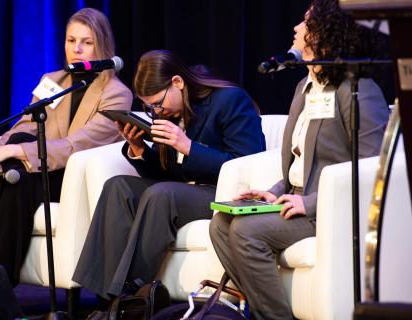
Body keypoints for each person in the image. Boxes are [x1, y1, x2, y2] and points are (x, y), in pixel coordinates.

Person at [209, 1, 390, 319]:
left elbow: (371, 168)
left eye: (306, 23)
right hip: (298, 202)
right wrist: (275, 191)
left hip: (330, 210)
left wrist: (310, 202)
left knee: (246, 231)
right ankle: (264, 308)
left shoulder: (357, 90)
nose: (296, 29)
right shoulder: (304, 87)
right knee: (221, 225)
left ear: (325, 34)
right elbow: (301, 162)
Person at [0, 8, 132, 286]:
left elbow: (78, 144)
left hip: (72, 178)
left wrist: (12, 153)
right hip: (35, 172)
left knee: (17, 169)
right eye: (71, 40)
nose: (77, 49)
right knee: (16, 178)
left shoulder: (117, 94)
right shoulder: (54, 81)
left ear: (103, 45)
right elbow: (23, 127)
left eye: (86, 42)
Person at [72, 49, 266, 304]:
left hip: (223, 193)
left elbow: (247, 163)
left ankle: (130, 296)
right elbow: (167, 174)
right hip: (184, 191)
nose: (156, 111)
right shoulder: (168, 114)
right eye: (148, 106)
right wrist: (139, 150)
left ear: (177, 82)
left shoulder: (230, 100)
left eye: (158, 103)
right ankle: (102, 298)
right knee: (117, 186)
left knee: (161, 194)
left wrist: (188, 147)